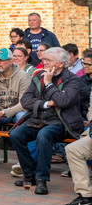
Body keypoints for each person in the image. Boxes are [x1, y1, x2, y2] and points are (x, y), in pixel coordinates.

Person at [10, 47, 83, 195]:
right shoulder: (38, 77)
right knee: (16, 134)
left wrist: (49, 84)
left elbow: (63, 101)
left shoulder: (73, 80)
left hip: (62, 122)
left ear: (61, 64)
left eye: (48, 60)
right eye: (43, 59)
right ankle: (30, 175)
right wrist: (46, 104)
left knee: (44, 135)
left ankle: (42, 179)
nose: (44, 62)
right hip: (38, 118)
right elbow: (26, 101)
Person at [0, 48, 31, 129]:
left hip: (18, 111)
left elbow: (23, 104)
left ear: (11, 61)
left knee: (21, 117)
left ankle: (17, 140)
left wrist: (3, 113)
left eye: (1, 60)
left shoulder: (23, 77)